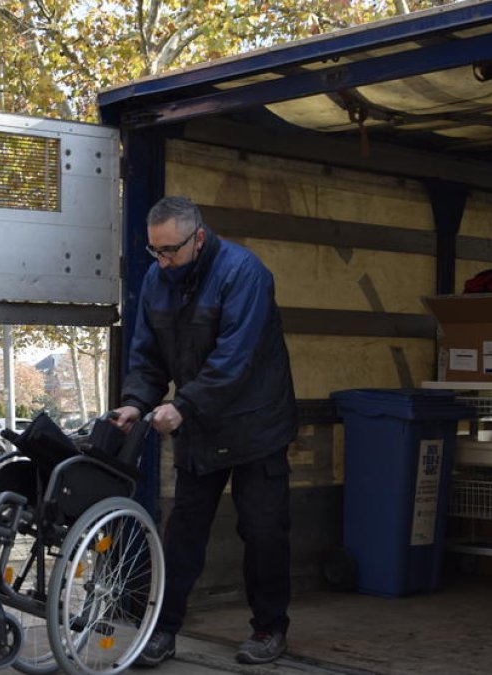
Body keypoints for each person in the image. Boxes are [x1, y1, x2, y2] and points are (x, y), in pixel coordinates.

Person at [111, 196, 297, 667]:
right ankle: (163, 629)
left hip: (257, 423)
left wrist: (182, 405)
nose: (162, 261)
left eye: (170, 250)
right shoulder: (157, 280)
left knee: (263, 530)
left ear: (198, 237)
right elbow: (148, 354)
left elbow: (235, 360)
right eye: (155, 251)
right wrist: (136, 401)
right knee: (184, 532)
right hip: (200, 425)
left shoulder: (244, 274)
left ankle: (269, 628)